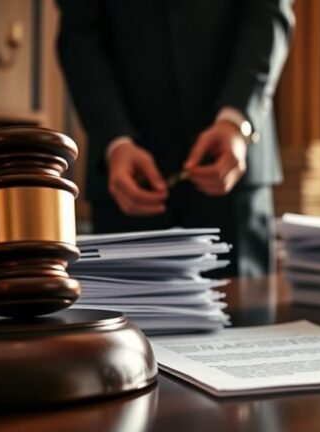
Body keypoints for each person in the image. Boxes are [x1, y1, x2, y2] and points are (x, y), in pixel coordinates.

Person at [56, 1, 294, 278]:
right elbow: (78, 34)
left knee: (249, 318)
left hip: (234, 175)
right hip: (126, 179)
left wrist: (236, 119)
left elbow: (269, 12)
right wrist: (115, 139)